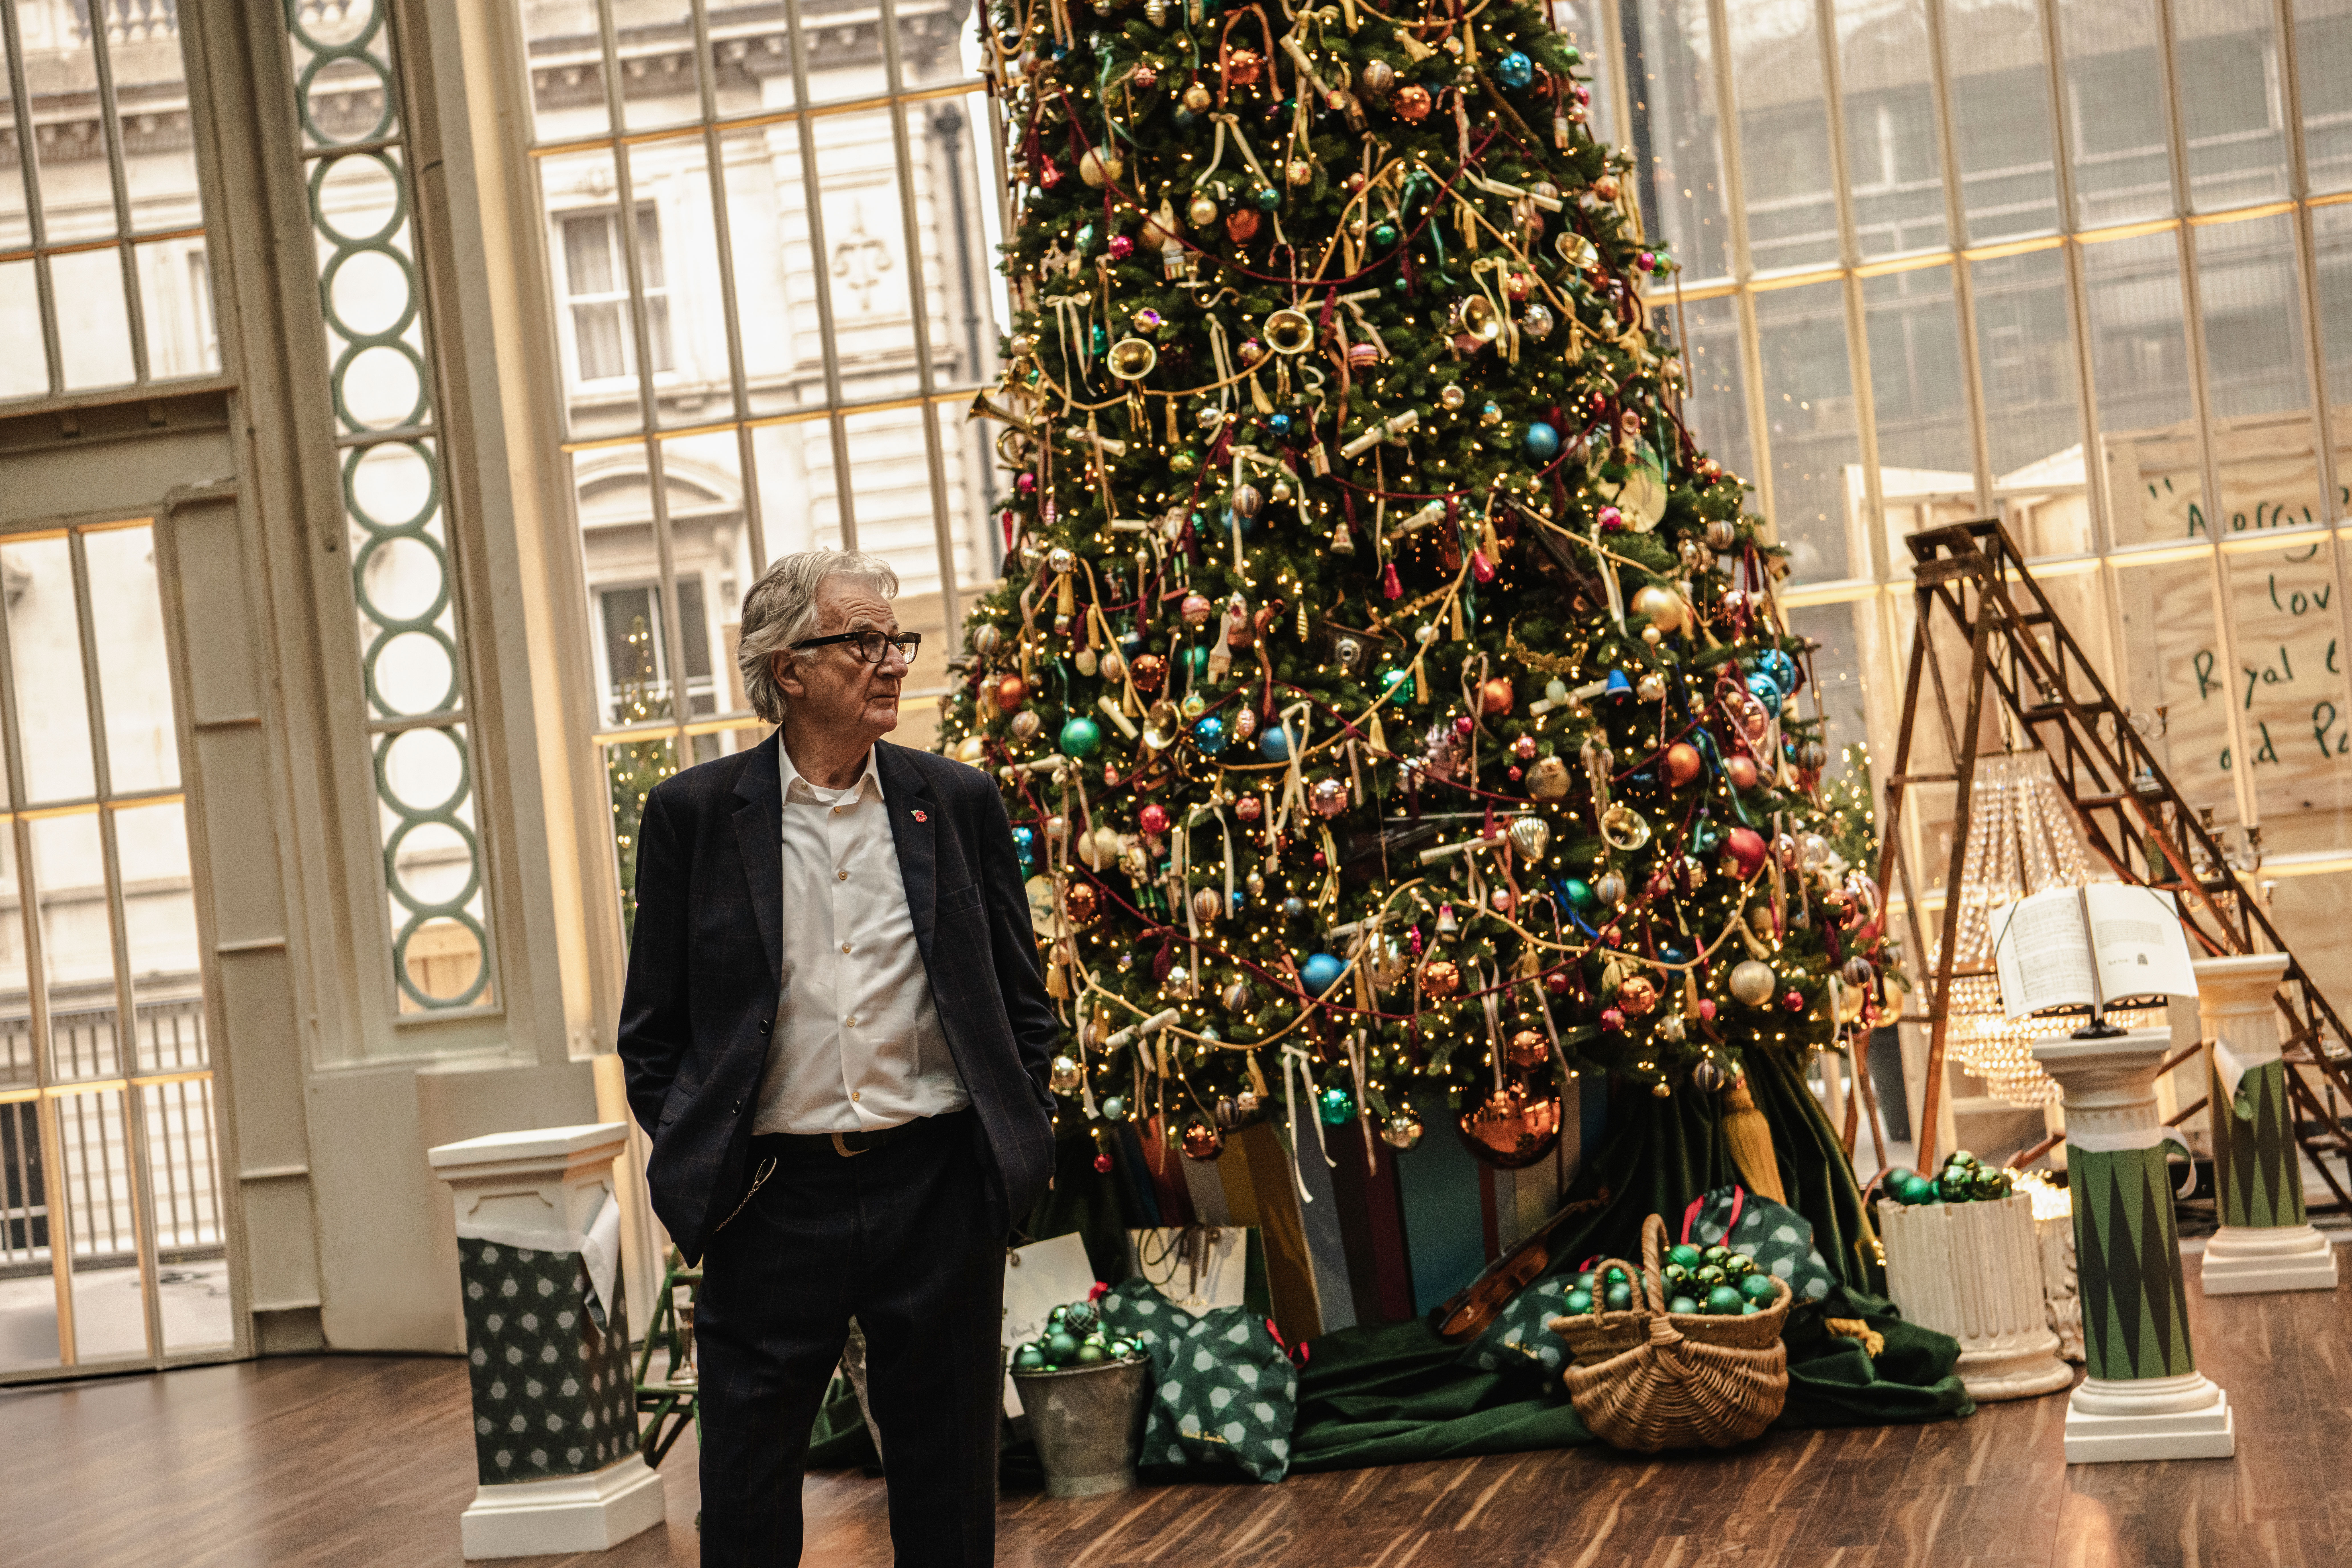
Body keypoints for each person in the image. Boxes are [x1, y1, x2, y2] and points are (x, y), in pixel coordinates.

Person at [618, 549, 1059, 1566]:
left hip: (936, 1185)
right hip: (769, 1199)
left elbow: (1020, 1004)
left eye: (894, 639)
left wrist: (1009, 1149)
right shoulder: (693, 817)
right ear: (788, 670)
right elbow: (654, 1033)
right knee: (745, 1496)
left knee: (949, 1484)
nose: (891, 661)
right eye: (861, 641)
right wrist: (712, 1162)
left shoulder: (955, 801)